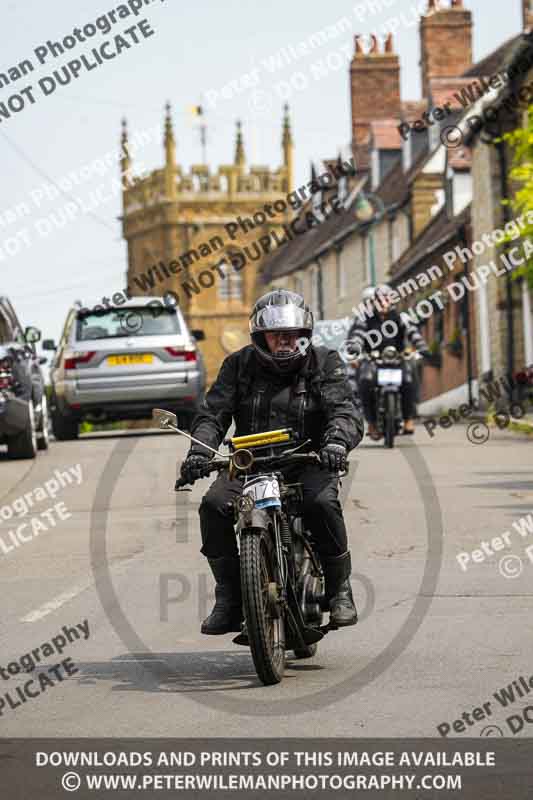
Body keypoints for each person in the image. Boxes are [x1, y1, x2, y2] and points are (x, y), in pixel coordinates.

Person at [180, 289, 364, 635]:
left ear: (304, 335)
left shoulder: (324, 362)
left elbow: (344, 410)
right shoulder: (238, 365)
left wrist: (337, 442)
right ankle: (231, 597)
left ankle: (340, 589)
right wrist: (199, 452)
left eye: (291, 334)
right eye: (276, 335)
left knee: (321, 502)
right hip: (252, 463)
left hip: (308, 459)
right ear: (260, 337)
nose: (284, 341)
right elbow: (213, 414)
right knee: (214, 505)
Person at [346, 284, 429, 440]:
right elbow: (357, 335)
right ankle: (371, 422)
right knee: (365, 381)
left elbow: (413, 333)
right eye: (380, 300)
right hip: (372, 359)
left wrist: (421, 347)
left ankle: (408, 419)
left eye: (387, 300)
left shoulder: (400, 317)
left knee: (409, 380)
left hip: (397, 358)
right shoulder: (365, 318)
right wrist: (355, 351)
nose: (383, 303)